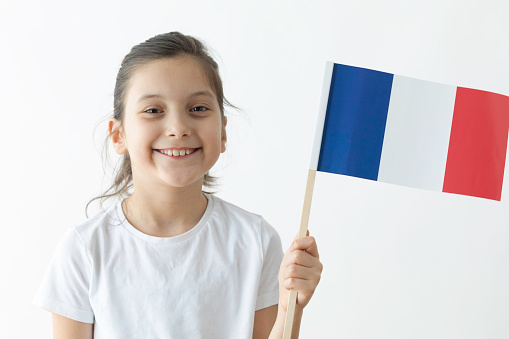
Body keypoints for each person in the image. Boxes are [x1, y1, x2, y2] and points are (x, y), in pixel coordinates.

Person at [33, 32, 322, 339]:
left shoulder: (256, 241)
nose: (178, 129)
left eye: (197, 108)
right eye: (153, 110)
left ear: (223, 132)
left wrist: (292, 309)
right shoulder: (84, 250)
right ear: (119, 135)